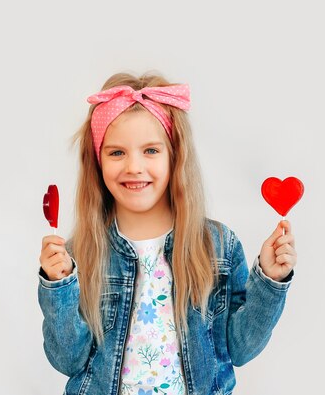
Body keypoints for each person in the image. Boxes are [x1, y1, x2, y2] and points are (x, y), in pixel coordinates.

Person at [37, 72, 297, 395]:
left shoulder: (217, 246)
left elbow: (241, 347)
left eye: (150, 151)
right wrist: (57, 286)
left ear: (175, 155)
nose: (133, 166)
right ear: (98, 161)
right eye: (117, 152)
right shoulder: (81, 252)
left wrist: (270, 281)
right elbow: (67, 359)